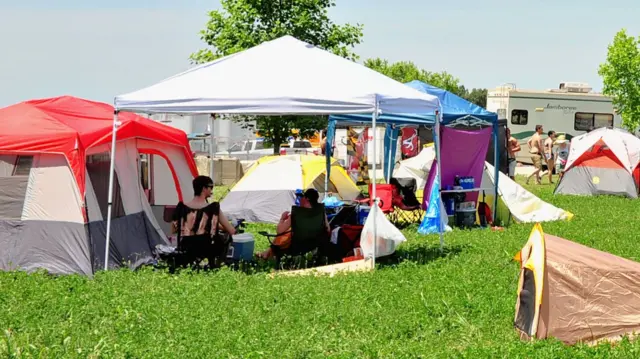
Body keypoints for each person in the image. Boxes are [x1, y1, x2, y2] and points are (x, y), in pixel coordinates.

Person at [257, 188, 330, 259]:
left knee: (282, 235)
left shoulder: (297, 213)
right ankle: (267, 253)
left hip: (297, 245)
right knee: (286, 234)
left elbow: (279, 231)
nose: (300, 199)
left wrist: (282, 219)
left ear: (306, 199)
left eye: (302, 196)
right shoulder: (321, 212)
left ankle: (267, 254)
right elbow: (328, 229)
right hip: (315, 243)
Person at [171, 175, 236, 243]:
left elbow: (174, 230)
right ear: (204, 188)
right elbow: (231, 230)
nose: (211, 190)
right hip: (207, 250)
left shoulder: (181, 207)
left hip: (186, 250)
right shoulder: (213, 208)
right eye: (211, 187)